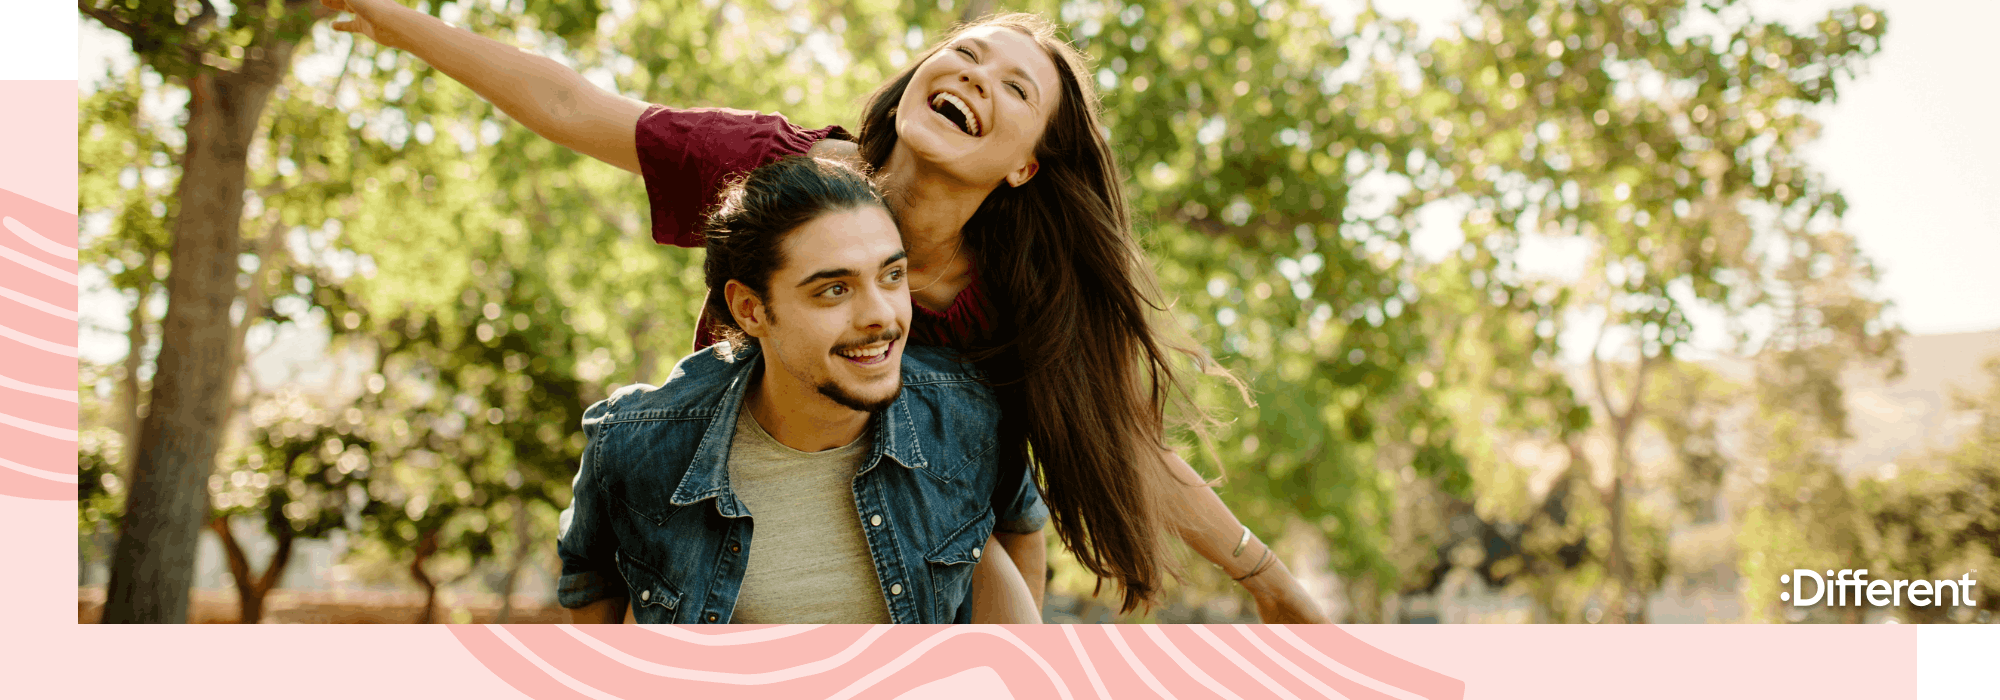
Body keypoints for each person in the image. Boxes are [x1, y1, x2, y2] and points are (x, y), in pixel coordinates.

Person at [328, 0, 1329, 622]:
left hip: (913, 567)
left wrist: (1270, 582)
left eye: (1012, 86)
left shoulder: (1017, 300)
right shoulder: (781, 176)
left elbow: (1127, 448)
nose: (972, 75)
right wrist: (388, 17)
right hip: (731, 527)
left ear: (1026, 163)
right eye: (963, 53)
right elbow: (573, 106)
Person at [558, 156, 1046, 623]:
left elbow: (1020, 528)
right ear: (751, 309)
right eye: (835, 289)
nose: (881, 315)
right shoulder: (635, 445)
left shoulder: (969, 413)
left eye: (892, 275)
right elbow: (588, 580)